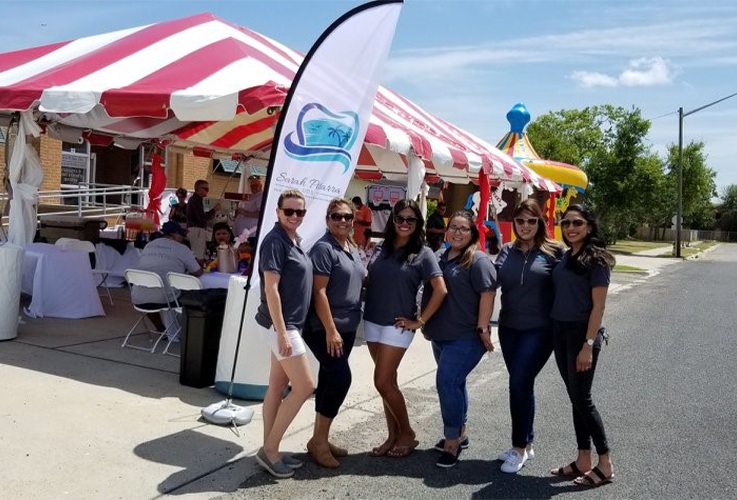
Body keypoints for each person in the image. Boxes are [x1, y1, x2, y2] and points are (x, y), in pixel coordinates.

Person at [363, 199, 447, 458]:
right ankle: (393, 435)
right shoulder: (380, 248)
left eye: (411, 219)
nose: (405, 224)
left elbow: (441, 289)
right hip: (372, 321)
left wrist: (420, 320)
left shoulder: (424, 253)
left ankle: (407, 433)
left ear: (418, 224)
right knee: (387, 382)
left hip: (398, 325)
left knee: (382, 381)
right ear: (393, 220)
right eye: (400, 218)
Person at [423, 210, 496, 468]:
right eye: (453, 227)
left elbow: (488, 293)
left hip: (465, 337)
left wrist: (482, 328)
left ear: (472, 233)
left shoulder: (478, 260)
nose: (457, 232)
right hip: (440, 335)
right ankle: (460, 432)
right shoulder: (441, 257)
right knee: (456, 383)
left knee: (446, 383)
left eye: (463, 228)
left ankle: (451, 442)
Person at [549, 204, 616, 488]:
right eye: (566, 223)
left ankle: (605, 463)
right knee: (575, 397)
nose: (571, 228)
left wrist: (588, 345)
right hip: (559, 332)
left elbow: (598, 307)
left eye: (577, 223)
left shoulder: (597, 260)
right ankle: (583, 459)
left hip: (581, 335)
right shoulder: (566, 257)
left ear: (589, 226)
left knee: (583, 398)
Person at [494, 199, 563, 473]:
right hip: (509, 328)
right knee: (524, 385)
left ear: (540, 223)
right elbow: (489, 283)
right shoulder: (506, 251)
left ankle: (518, 448)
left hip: (540, 330)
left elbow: (572, 284)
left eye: (531, 221)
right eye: (520, 221)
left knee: (518, 383)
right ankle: (529, 442)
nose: (525, 226)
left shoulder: (554, 252)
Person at [254, 189, 315, 479]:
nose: (294, 216)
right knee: (304, 387)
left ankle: (270, 448)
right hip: (282, 326)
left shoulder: (293, 240)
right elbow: (271, 289)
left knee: (277, 385)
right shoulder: (275, 241)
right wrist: (281, 332)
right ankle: (271, 448)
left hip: (287, 326)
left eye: (299, 212)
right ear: (278, 211)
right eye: (288, 211)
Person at [302, 198, 366, 468]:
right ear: (327, 219)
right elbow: (319, 292)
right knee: (340, 379)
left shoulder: (349, 246)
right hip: (326, 327)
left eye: (347, 217)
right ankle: (318, 441)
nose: (342, 221)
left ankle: (319, 438)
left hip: (347, 325)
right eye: (336, 216)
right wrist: (330, 330)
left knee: (328, 378)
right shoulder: (324, 249)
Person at [130, 221, 202, 332]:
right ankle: (190, 331)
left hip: (138, 298)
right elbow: (198, 272)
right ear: (172, 234)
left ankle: (161, 329)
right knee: (192, 291)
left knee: (150, 295)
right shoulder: (182, 249)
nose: (183, 237)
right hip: (167, 299)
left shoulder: (149, 245)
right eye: (181, 234)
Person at [186, 179, 220, 263]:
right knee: (198, 254)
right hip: (197, 229)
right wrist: (213, 210)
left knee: (197, 252)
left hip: (195, 229)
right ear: (198, 188)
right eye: (205, 189)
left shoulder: (195, 199)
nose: (207, 191)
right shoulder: (196, 200)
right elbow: (201, 217)